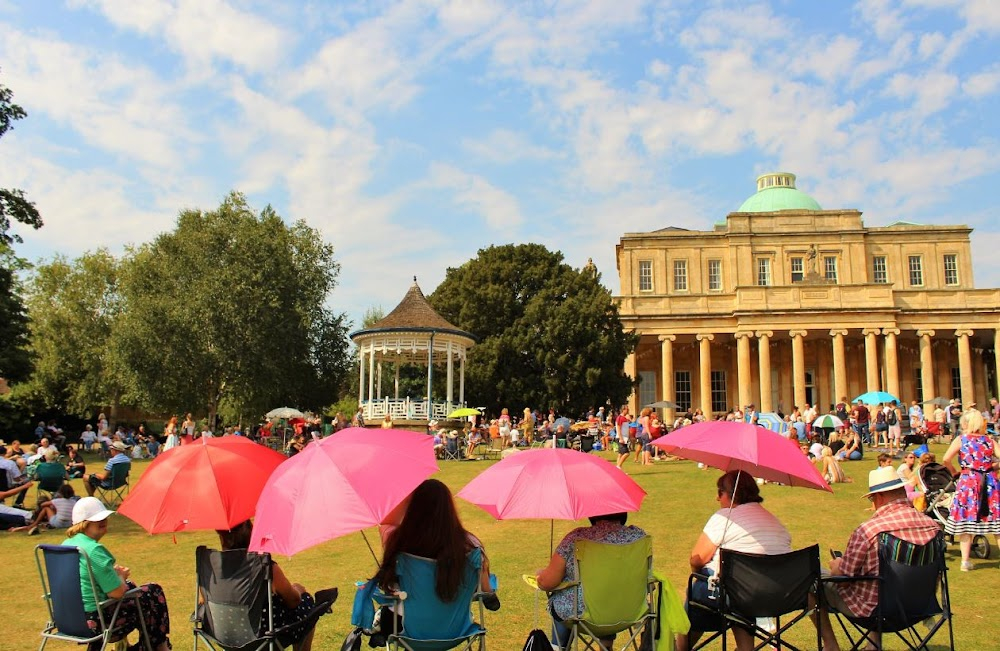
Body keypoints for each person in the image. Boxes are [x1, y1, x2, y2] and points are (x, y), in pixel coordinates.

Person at [816, 467, 939, 651]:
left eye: (872, 499)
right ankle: (873, 644)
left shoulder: (871, 530)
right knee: (879, 578)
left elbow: (844, 579)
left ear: (879, 497)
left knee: (812, 582)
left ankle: (831, 645)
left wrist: (837, 565)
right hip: (920, 607)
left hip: (874, 612)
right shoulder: (933, 527)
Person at [678, 471, 791, 651]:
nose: (717, 498)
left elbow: (697, 558)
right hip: (776, 595)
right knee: (739, 588)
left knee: (702, 586)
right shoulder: (775, 522)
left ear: (731, 494)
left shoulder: (724, 517)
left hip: (734, 595)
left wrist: (698, 571)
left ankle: (681, 648)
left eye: (719, 492)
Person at [374, 479, 497, 641]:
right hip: (455, 629)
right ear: (449, 508)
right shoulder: (471, 545)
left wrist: (408, 498)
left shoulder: (397, 540)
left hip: (404, 628)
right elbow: (486, 591)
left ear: (412, 508)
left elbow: (385, 522)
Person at [61, 497, 171, 650]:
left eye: (104, 517)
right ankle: (157, 646)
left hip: (68, 618)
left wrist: (114, 575)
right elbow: (117, 593)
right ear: (84, 523)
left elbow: (84, 580)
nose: (104, 521)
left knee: (133, 589)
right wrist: (121, 576)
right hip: (96, 621)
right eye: (99, 519)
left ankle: (151, 645)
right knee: (153, 591)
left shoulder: (66, 545)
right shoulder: (94, 550)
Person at [537, 512, 647, 649]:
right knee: (607, 595)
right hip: (630, 612)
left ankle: (558, 647)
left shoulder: (576, 538)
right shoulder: (639, 536)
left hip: (584, 616)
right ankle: (605, 645)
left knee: (565, 601)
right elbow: (646, 575)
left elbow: (548, 582)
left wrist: (541, 577)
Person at [216, 521, 322, 651]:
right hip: (262, 637)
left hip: (225, 636)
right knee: (306, 602)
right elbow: (294, 601)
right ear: (251, 535)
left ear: (222, 538)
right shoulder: (265, 567)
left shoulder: (212, 569)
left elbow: (202, 603)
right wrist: (299, 590)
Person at [942, 409, 1000, 571]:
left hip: (969, 481)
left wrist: (955, 472)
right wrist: (991, 467)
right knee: (997, 522)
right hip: (990, 481)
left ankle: (965, 561)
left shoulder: (962, 440)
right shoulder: (989, 441)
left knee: (966, 520)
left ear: (966, 424)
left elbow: (946, 459)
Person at [8, 483, 79, 534]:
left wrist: (52, 505)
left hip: (58, 523)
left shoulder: (57, 501)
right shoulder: (73, 501)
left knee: (46, 508)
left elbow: (43, 504)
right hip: (69, 523)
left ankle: (35, 523)